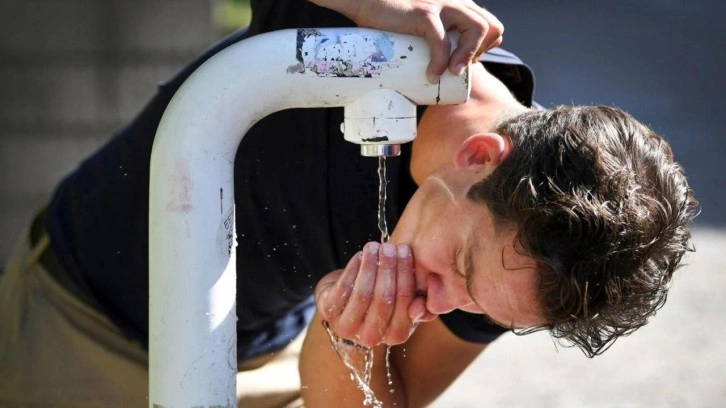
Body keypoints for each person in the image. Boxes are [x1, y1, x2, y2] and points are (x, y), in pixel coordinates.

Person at [0, 1, 697, 408]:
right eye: (458, 265)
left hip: (261, 361)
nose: (445, 304)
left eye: (483, 310)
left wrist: (348, 336)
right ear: (480, 157)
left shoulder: (511, 272)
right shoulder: (391, 47)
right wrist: (372, 4)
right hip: (80, 317)